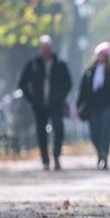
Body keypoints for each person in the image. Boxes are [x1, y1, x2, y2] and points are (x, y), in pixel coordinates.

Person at [17, 34, 72, 170]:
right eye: (43, 48)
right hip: (39, 105)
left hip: (56, 104)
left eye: (48, 48)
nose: (46, 50)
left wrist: (60, 97)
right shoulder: (33, 64)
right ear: (39, 48)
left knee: (58, 128)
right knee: (41, 132)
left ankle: (56, 155)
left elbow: (68, 83)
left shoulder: (60, 64)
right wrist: (32, 99)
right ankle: (45, 159)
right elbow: (23, 83)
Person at [76, 42, 110, 170]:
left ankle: (104, 155)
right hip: (92, 107)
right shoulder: (89, 72)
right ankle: (99, 153)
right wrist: (79, 105)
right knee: (94, 132)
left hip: (108, 107)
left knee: (105, 131)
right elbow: (83, 90)